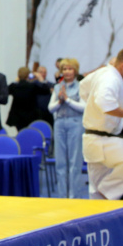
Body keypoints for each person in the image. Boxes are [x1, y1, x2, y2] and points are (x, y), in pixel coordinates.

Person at [79, 48, 123, 199]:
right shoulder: (111, 78)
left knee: (95, 190)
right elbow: (105, 103)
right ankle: (105, 191)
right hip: (103, 140)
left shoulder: (102, 73)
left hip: (94, 140)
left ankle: (101, 196)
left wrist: (93, 109)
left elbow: (83, 87)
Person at [48, 58, 86, 198]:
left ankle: (73, 197)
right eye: (64, 69)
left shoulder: (81, 86)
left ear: (75, 71)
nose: (67, 71)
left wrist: (68, 100)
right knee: (60, 163)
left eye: (70, 69)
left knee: (74, 162)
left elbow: (83, 107)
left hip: (75, 123)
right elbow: (50, 108)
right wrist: (60, 101)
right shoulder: (58, 87)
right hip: (59, 124)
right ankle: (62, 196)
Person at [6, 67, 52, 131]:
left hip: (18, 117)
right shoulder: (32, 86)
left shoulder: (14, 86)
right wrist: (41, 79)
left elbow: (5, 91)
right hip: (31, 116)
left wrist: (16, 81)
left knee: (21, 133)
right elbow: (46, 90)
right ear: (28, 75)